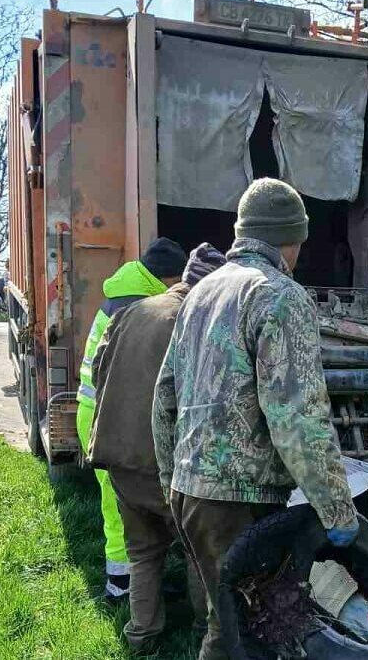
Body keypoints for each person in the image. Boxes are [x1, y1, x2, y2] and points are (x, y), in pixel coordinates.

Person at [153, 178, 358, 660]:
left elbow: (164, 398)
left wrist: (171, 479)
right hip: (239, 503)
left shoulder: (201, 294)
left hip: (192, 493)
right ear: (291, 240)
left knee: (226, 622)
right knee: (244, 634)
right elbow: (298, 419)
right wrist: (337, 508)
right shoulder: (281, 296)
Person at [88, 243, 226, 653]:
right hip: (159, 461)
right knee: (199, 551)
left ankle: (142, 635)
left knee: (144, 552)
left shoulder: (132, 310)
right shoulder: (193, 321)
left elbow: (98, 371)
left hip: (116, 455)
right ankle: (205, 633)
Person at [76, 237, 187, 601]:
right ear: (169, 280)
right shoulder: (140, 303)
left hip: (95, 409)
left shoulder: (125, 288)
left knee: (120, 499)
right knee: (118, 503)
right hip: (106, 415)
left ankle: (134, 581)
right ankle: (120, 587)